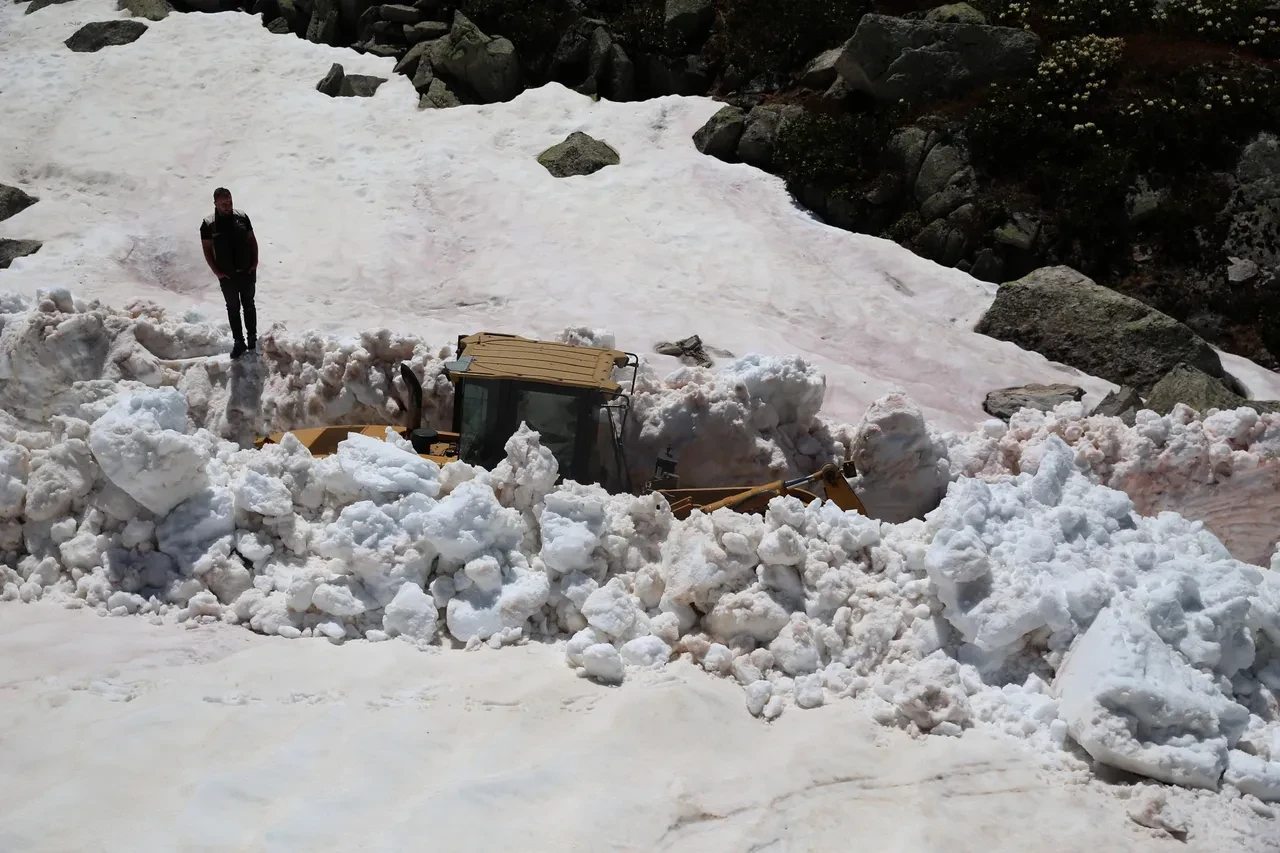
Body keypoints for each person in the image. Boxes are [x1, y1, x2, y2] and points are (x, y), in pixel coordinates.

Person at [200, 187, 259, 359]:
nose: (228, 206)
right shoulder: (209, 224)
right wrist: (217, 272)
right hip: (227, 275)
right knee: (233, 308)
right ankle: (238, 342)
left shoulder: (241, 217)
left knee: (249, 304)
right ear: (215, 203)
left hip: (247, 271)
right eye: (224, 204)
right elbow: (207, 250)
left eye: (230, 202)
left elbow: (252, 240)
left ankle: (252, 340)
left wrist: (254, 262)